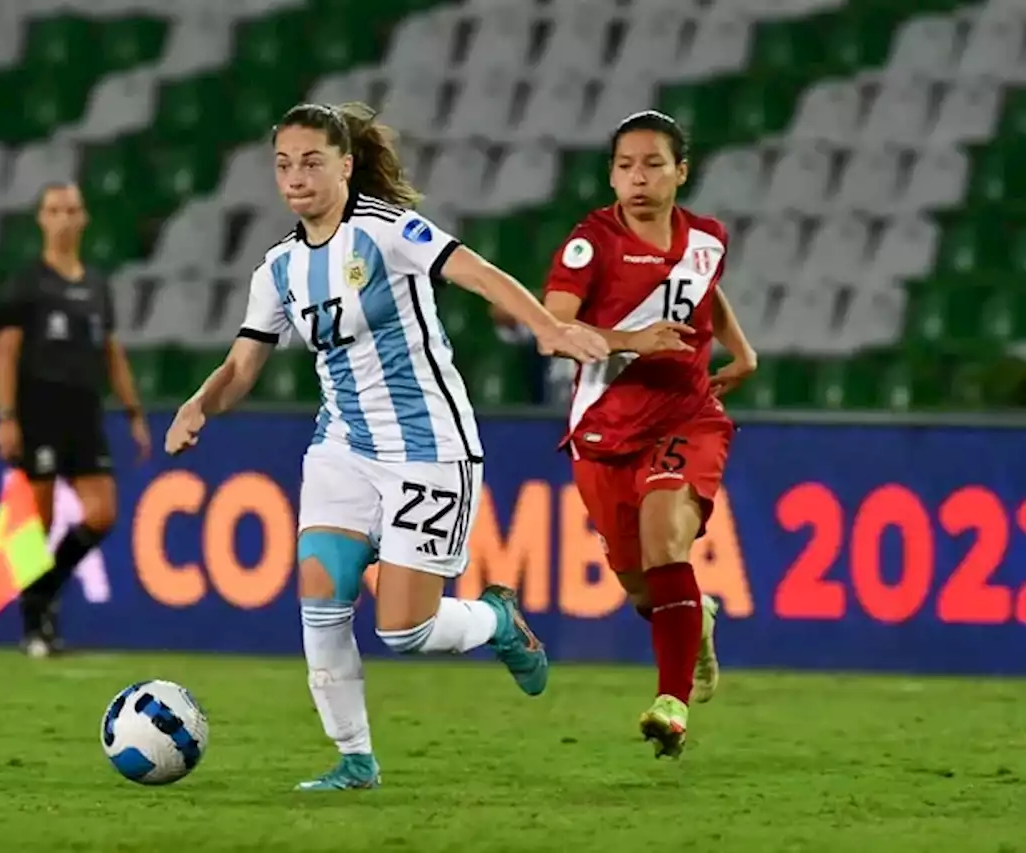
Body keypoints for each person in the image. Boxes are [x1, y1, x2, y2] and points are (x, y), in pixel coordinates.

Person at [164, 102, 609, 791]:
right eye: (284, 164)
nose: (296, 178)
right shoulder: (278, 268)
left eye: (312, 162)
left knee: (403, 628)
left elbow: (478, 273)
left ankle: (495, 618)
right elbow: (242, 366)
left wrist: (548, 327)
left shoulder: (388, 230)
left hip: (429, 444)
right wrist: (200, 404)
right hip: (342, 444)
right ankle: (355, 758)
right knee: (321, 584)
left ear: (346, 165)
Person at [542, 110, 758, 759]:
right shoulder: (591, 244)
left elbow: (705, 292)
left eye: (653, 164)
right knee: (644, 587)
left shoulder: (705, 241)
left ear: (680, 172)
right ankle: (700, 620)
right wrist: (629, 340)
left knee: (668, 540)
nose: (638, 177)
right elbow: (554, 329)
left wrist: (742, 352)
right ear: (611, 175)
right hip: (604, 432)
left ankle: (672, 705)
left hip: (684, 415)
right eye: (626, 165)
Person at [0, 182, 152, 659]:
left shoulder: (97, 286)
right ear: (42, 219)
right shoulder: (25, 283)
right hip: (38, 410)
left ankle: (43, 591)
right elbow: (5, 354)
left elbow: (112, 351)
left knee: (102, 513)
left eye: (72, 210)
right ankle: (33, 622)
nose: (64, 218)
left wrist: (134, 411)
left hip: (85, 412)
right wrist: (5, 416)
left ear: (83, 219)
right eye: (55, 210)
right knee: (35, 518)